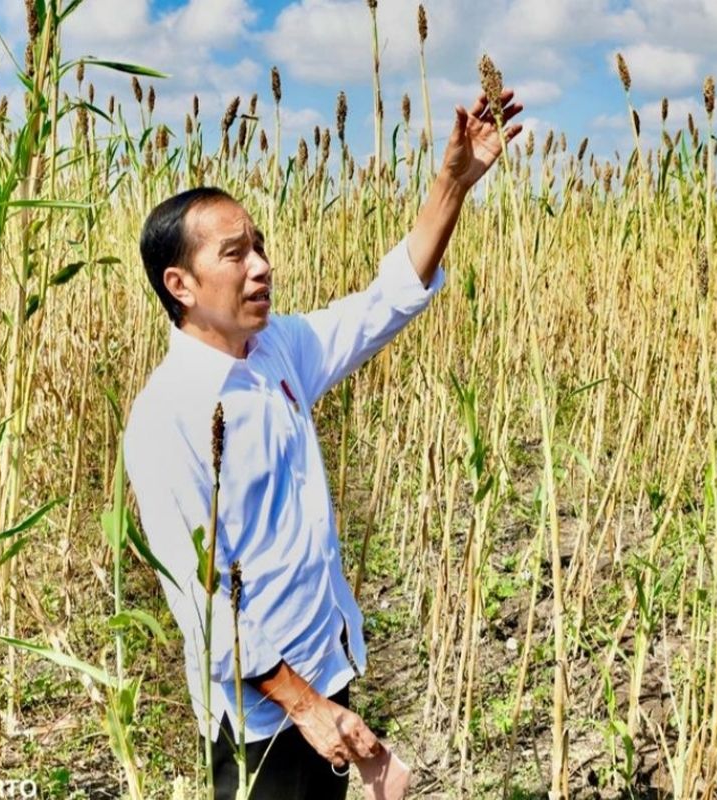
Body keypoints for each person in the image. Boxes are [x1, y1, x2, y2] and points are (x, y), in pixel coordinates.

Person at [122, 88, 523, 799]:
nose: (260, 267)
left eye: (261, 247)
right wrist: (304, 706)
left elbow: (383, 303)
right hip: (264, 715)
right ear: (179, 283)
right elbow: (200, 599)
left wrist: (453, 183)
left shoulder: (276, 349)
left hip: (326, 669)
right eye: (235, 254)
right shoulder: (167, 417)